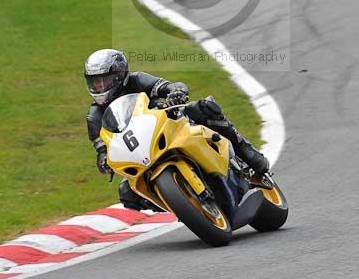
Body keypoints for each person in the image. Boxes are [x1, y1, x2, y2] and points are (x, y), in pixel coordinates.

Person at [84, 48, 270, 210]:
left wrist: (176, 93)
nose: (100, 87)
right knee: (127, 193)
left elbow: (169, 86)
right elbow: (102, 148)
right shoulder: (94, 116)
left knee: (206, 108)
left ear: (119, 75)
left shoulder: (137, 80)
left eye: (104, 81)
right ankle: (179, 203)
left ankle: (246, 151)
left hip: (168, 123)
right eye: (95, 82)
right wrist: (103, 161)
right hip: (141, 150)